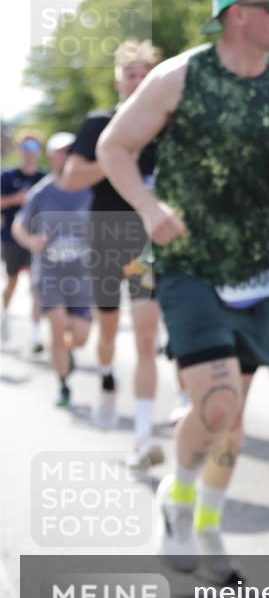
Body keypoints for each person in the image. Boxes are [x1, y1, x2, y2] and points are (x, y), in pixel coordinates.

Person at [96, 0, 269, 570]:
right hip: (189, 265)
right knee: (214, 403)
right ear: (239, 14)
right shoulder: (178, 77)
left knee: (229, 417)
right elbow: (115, 146)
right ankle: (176, 502)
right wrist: (148, 206)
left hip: (258, 271)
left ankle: (205, 521)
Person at [63, 40, 166, 470]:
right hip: (107, 235)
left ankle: (142, 437)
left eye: (146, 74)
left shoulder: (167, 124)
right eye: (130, 74)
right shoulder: (98, 124)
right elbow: (70, 178)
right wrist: (117, 154)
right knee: (106, 331)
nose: (137, 81)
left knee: (145, 336)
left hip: (147, 241)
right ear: (117, 79)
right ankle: (107, 380)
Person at [12, 132, 92, 407]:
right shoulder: (41, 192)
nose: (65, 155)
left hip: (83, 274)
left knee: (80, 337)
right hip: (49, 272)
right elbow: (19, 226)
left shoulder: (91, 189)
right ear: (52, 156)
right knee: (57, 327)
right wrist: (30, 241)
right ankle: (63, 384)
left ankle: (68, 352)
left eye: (70, 150)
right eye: (60, 151)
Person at [1, 132, 46, 351]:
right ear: (20, 149)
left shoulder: (44, 178)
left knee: (36, 287)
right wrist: (15, 199)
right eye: (25, 146)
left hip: (36, 241)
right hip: (11, 238)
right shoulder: (7, 176)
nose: (29, 151)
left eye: (34, 146)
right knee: (12, 282)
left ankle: (36, 336)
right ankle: (4, 315)